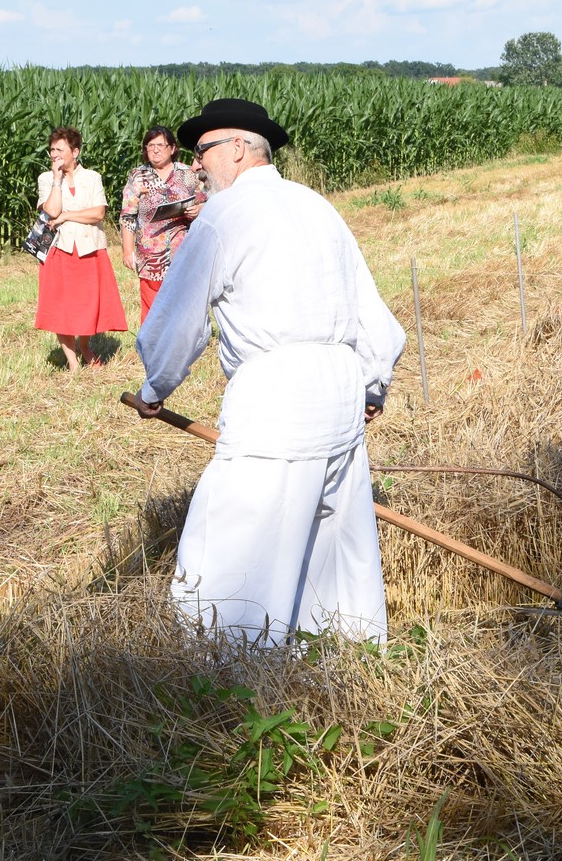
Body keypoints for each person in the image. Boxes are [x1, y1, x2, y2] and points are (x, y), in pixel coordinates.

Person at [124, 98, 406, 646]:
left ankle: (228, 674)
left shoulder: (223, 217)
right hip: (341, 391)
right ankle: (338, 657)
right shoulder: (317, 206)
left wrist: (155, 386)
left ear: (237, 147)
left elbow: (178, 320)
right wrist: (373, 387)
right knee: (328, 539)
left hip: (276, 396)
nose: (196, 165)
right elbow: (370, 312)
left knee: (234, 545)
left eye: (202, 151)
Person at [35, 126, 127, 370]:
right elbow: (51, 210)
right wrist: (56, 181)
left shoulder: (92, 177)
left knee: (88, 303)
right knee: (61, 306)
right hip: (59, 250)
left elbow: (98, 213)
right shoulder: (46, 179)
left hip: (89, 249)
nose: (54, 154)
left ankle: (85, 345)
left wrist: (67, 216)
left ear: (75, 152)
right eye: (52, 150)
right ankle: (73, 362)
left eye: (60, 149)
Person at [119, 125, 205, 325]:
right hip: (150, 254)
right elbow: (128, 215)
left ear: (172, 148)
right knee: (153, 308)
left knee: (181, 303)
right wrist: (127, 251)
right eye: (151, 146)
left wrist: (199, 209)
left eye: (160, 145)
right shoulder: (138, 176)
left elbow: (207, 202)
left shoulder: (187, 174)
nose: (155, 150)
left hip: (182, 250)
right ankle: (152, 343)